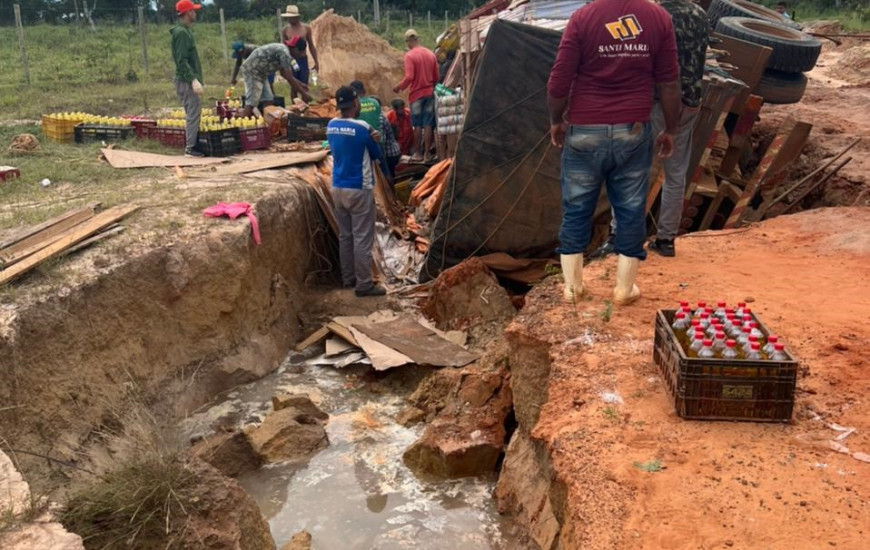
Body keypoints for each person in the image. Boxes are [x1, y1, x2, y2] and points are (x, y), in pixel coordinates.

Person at [548, 0, 681, 306]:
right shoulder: (658, 18)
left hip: (583, 129)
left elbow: (559, 80)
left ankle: (573, 288)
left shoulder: (583, 17)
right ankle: (624, 290)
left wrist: (556, 121)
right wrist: (670, 130)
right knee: (631, 208)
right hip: (633, 130)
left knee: (576, 207)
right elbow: (669, 83)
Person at [594, 0, 709, 259]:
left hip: (655, 103)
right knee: (675, 174)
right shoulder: (700, 14)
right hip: (689, 103)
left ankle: (619, 237)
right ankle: (666, 240)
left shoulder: (650, 15)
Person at [327, 86, 386, 297]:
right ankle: (364, 284)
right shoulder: (363, 128)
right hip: (358, 188)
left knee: (346, 237)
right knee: (362, 238)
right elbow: (376, 153)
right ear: (355, 104)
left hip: (337, 188)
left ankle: (348, 279)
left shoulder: (331, 125)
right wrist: (375, 138)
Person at [393, 29, 439, 163]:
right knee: (428, 124)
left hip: (417, 95)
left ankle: (418, 153)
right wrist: (430, 87)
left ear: (408, 42)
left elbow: (409, 77)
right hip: (430, 93)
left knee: (417, 125)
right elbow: (436, 77)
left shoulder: (410, 56)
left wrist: (399, 87)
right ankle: (427, 154)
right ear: (418, 39)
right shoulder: (431, 54)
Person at [238, 42, 312, 119]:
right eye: (300, 53)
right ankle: (241, 122)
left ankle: (268, 122)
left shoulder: (285, 52)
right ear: (296, 49)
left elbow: (284, 74)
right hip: (252, 70)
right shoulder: (284, 53)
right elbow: (289, 77)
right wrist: (304, 94)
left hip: (261, 72)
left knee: (268, 98)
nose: (300, 56)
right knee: (252, 101)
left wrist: (301, 84)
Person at [170, 0, 204, 157]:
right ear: (188, 13)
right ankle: (190, 148)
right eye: (193, 11)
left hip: (186, 79)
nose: (195, 13)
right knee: (193, 112)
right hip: (185, 80)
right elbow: (181, 60)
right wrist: (193, 80)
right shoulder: (182, 33)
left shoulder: (184, 31)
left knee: (193, 111)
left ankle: (192, 144)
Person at [281, 5, 319, 82]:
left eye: (291, 17)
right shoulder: (285, 30)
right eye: (288, 17)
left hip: (303, 59)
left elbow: (311, 45)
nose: (289, 19)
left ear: (297, 17)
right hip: (291, 60)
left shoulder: (306, 28)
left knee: (304, 82)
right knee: (293, 83)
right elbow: (283, 48)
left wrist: (316, 62)